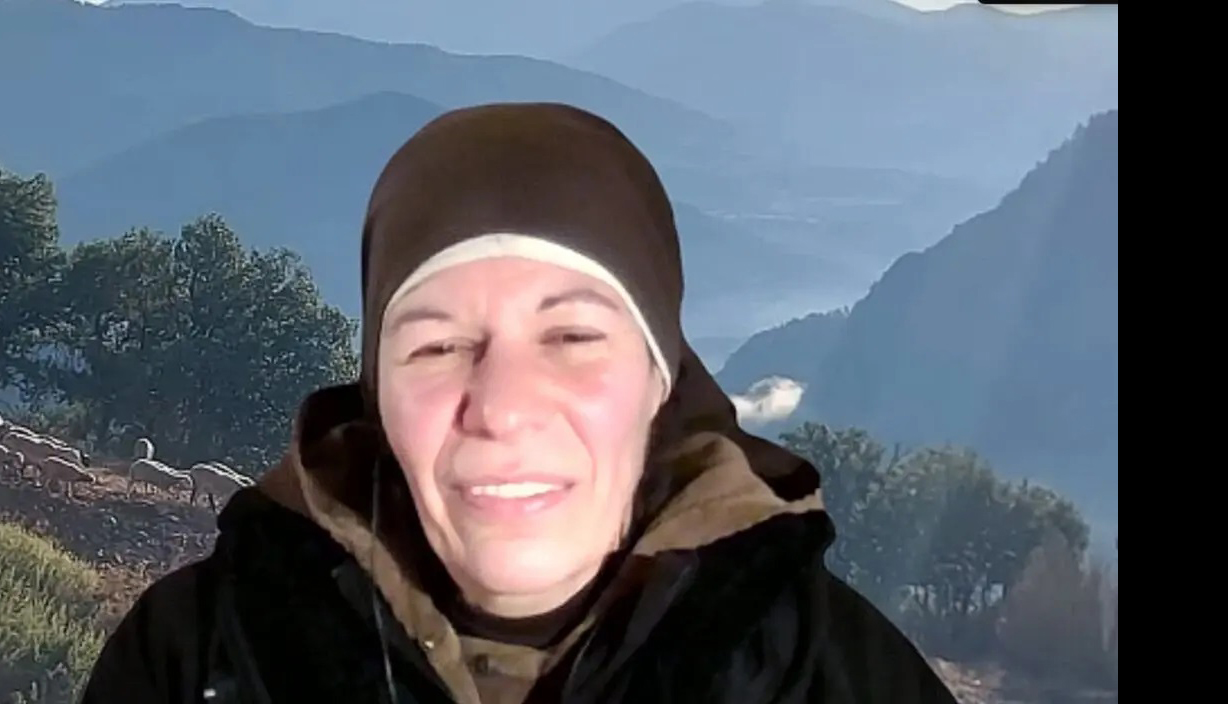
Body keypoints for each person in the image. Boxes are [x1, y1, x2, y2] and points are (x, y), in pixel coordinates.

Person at [79, 102, 958, 704]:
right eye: (437, 346)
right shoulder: (195, 655)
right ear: (378, 391)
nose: (500, 408)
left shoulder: (829, 673)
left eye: (572, 336)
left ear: (662, 379)